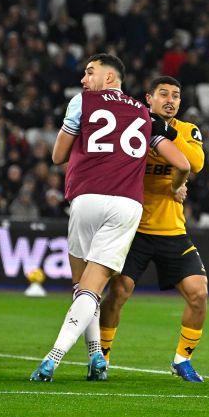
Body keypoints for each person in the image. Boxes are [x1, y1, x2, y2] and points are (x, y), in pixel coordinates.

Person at [31, 55, 189, 382]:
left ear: (109, 77)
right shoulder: (144, 113)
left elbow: (57, 156)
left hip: (87, 198)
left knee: (83, 289)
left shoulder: (83, 102)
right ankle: (95, 359)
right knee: (93, 288)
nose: (84, 79)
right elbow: (183, 164)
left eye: (90, 72)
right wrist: (177, 188)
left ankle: (54, 356)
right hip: (127, 206)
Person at [98, 76, 207, 382]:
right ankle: (102, 357)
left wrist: (167, 131)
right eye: (163, 94)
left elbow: (195, 162)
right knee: (119, 293)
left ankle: (182, 360)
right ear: (148, 98)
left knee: (199, 294)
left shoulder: (187, 130)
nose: (170, 99)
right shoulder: (134, 129)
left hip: (173, 230)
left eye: (175, 95)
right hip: (135, 230)